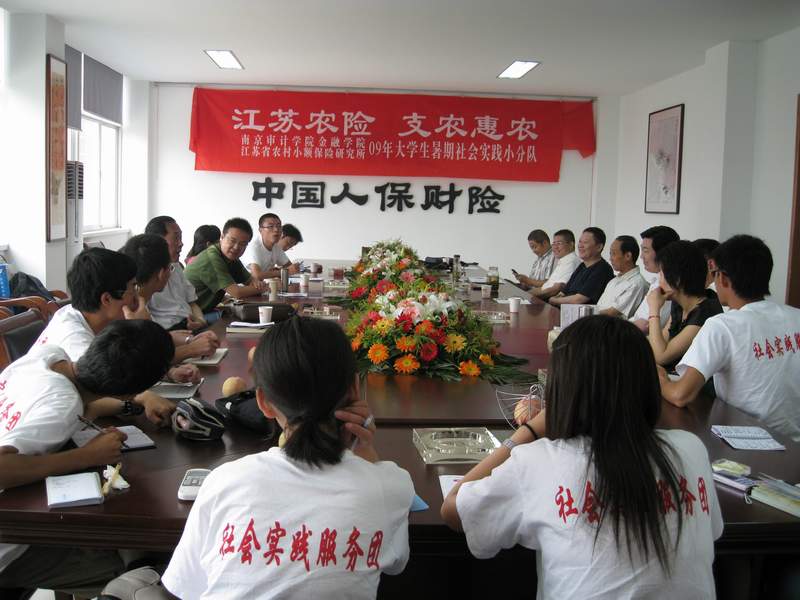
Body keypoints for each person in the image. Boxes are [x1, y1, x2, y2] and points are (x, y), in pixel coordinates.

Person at [441, 315, 722, 598]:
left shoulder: (540, 462)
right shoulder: (691, 450)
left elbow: (453, 509)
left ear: (564, 390)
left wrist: (530, 430)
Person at [162, 317, 413, 598]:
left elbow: (186, 587)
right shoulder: (392, 486)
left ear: (264, 403)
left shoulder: (224, 481)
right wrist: (366, 453)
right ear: (355, 388)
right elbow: (395, 565)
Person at [0, 320, 174, 597]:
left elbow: (85, 404)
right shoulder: (62, 406)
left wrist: (135, 402)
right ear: (131, 389)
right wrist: (85, 456)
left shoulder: (49, 356)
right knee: (151, 564)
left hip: (17, 515)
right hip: (11, 543)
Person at [660, 235, 800, 441]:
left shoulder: (722, 326)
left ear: (723, 279)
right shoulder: (796, 316)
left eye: (714, 274)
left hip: (747, 441)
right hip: (794, 443)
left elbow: (681, 395)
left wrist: (660, 379)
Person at [120, 234, 220, 366]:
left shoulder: (136, 299)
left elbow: (151, 346)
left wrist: (186, 340)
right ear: (162, 274)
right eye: (170, 267)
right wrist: (191, 349)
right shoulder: (132, 310)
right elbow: (142, 362)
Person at [646, 240, 723, 371]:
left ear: (677, 280)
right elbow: (659, 343)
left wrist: (654, 309)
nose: (659, 282)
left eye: (661, 275)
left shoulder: (707, 312)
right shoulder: (679, 304)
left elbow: (661, 356)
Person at [185, 217, 268, 313]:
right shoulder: (212, 258)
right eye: (232, 241)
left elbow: (251, 281)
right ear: (222, 237)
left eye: (242, 244)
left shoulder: (231, 257)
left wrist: (257, 285)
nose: (236, 247)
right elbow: (236, 292)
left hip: (206, 310)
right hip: (189, 316)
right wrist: (265, 288)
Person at [144, 216, 207, 331]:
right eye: (176, 238)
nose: (181, 243)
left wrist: (201, 321)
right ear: (158, 241)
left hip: (190, 328)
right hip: (168, 332)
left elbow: (192, 303)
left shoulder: (176, 267)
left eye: (181, 238)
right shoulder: (144, 276)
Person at [630, 226, 680, 331]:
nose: (641, 256)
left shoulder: (668, 285)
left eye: (645, 251)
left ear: (663, 254)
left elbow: (645, 326)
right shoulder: (657, 280)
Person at [549, 227, 614, 306]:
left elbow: (579, 299)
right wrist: (555, 299)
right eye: (580, 242)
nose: (580, 246)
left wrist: (554, 300)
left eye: (585, 242)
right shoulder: (582, 265)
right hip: (565, 308)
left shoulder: (602, 269)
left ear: (599, 247)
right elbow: (563, 293)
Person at [595, 235, 649, 318]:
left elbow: (613, 313)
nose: (610, 258)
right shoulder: (613, 281)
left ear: (628, 256)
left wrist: (589, 314)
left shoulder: (636, 283)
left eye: (613, 253)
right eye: (610, 254)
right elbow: (600, 307)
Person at [242, 213, 300, 280]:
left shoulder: (276, 246)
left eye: (279, 226)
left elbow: (289, 266)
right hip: (245, 285)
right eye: (270, 226)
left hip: (262, 284)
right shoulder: (254, 247)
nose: (276, 229)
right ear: (260, 230)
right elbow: (256, 275)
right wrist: (283, 272)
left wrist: (292, 268)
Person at [529, 229, 581, 300]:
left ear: (571, 245)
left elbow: (556, 289)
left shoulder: (571, 261)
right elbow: (546, 287)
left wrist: (528, 295)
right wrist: (525, 293)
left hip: (548, 301)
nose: (555, 247)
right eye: (554, 243)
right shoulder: (563, 260)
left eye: (559, 243)